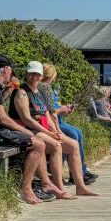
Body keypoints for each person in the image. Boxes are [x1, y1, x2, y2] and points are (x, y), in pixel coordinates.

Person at [0, 55, 52, 205]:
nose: (12, 73)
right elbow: (2, 118)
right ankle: (26, 189)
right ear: (5, 69)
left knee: (36, 141)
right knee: (38, 144)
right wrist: (24, 131)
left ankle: (39, 184)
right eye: (10, 69)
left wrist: (10, 88)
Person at [14, 62, 98, 197]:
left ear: (41, 76)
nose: (34, 77)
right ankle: (60, 188)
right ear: (27, 74)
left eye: (37, 74)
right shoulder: (22, 92)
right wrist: (49, 133)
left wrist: (56, 131)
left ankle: (80, 186)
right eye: (32, 73)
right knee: (56, 146)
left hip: (43, 128)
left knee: (74, 145)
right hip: (30, 130)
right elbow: (26, 119)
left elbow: (46, 114)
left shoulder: (40, 91)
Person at [41, 63, 98, 185]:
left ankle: (79, 171)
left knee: (78, 132)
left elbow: (52, 109)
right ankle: (74, 173)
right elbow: (48, 112)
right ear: (51, 76)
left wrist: (63, 109)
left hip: (57, 120)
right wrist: (61, 110)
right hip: (50, 122)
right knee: (73, 134)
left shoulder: (47, 89)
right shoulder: (45, 89)